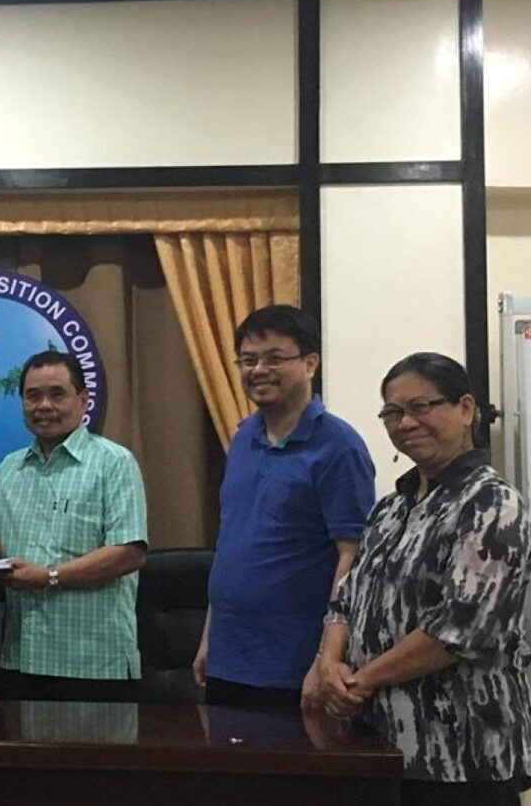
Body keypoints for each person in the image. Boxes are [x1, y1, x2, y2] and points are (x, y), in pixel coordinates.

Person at [317, 352, 531, 806]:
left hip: (463, 755)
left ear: (466, 409)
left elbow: (462, 627)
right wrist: (329, 663)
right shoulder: (391, 507)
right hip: (380, 745)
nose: (406, 423)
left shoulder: (492, 503)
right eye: (392, 412)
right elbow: (346, 599)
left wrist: (362, 680)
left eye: (420, 407)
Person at [0, 350, 148, 702]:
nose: (44, 405)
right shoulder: (11, 467)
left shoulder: (113, 463)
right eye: (33, 396)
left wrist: (49, 577)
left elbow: (129, 553)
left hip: (93, 663)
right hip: (22, 659)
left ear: (83, 400)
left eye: (57, 394)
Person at [194, 305, 374, 710]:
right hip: (228, 657)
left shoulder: (339, 446)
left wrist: (325, 659)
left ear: (310, 363)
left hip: (294, 664)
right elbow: (231, 543)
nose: (259, 370)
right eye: (248, 360)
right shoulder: (243, 437)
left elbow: (354, 558)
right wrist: (209, 637)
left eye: (274, 358)